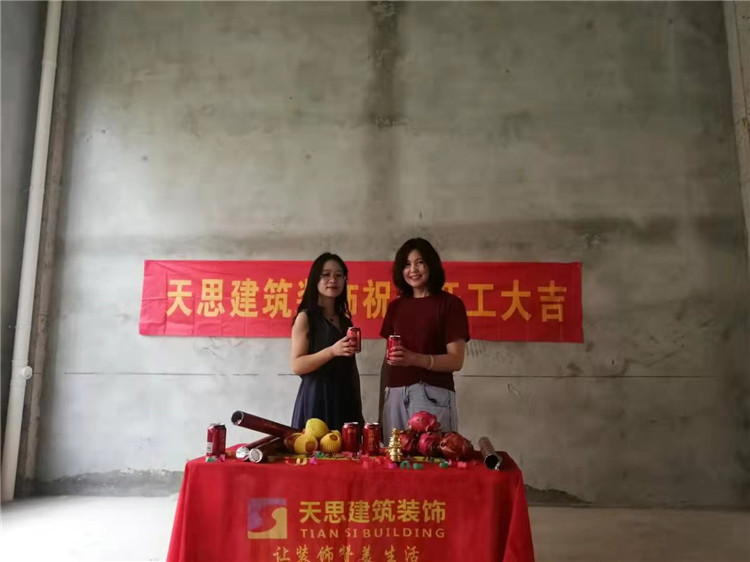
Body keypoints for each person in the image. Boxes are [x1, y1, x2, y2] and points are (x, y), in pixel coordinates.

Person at [379, 238, 470, 434]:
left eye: (419, 262)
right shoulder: (395, 307)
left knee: (432, 453)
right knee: (392, 453)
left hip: (431, 394)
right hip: (394, 395)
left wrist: (415, 359)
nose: (413, 270)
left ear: (431, 265)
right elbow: (388, 361)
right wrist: (382, 406)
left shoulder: (450, 304)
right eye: (407, 264)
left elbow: (456, 360)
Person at [290, 253, 364, 431]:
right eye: (326, 274)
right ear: (315, 279)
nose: (333, 280)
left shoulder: (345, 322)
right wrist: (332, 351)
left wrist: (358, 408)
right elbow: (297, 365)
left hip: (344, 397)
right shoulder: (306, 318)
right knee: (317, 447)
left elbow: (352, 369)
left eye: (339, 275)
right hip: (317, 397)